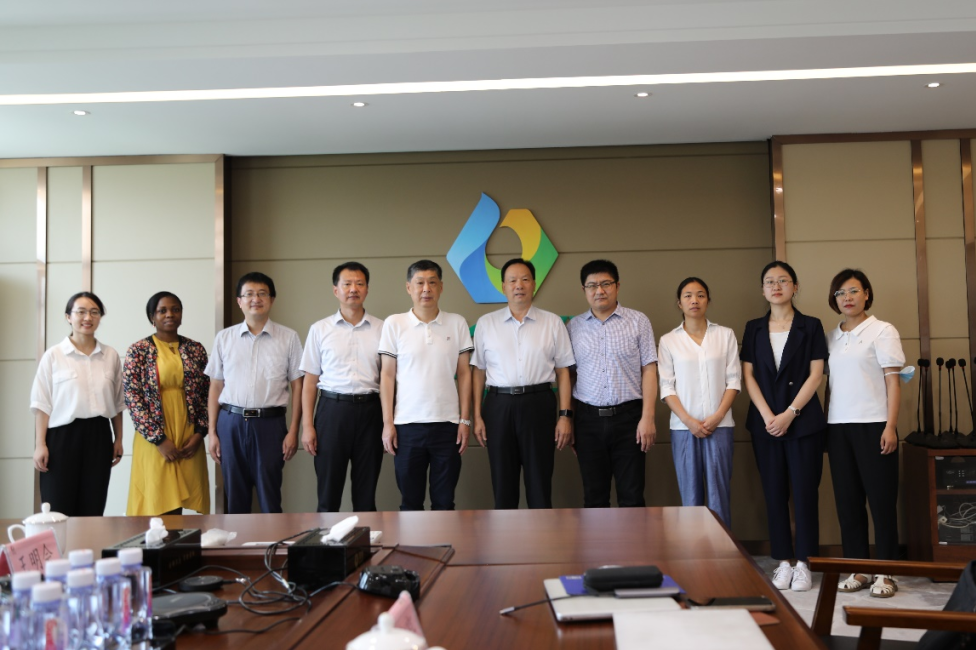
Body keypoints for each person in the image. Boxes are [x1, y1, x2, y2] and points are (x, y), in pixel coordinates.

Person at [741, 260, 827, 592]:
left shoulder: (811, 325)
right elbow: (748, 375)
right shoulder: (753, 328)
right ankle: (783, 562)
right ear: (762, 289)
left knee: (805, 492)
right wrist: (768, 416)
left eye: (783, 280)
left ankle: (804, 562)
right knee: (774, 492)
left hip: (803, 422)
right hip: (764, 424)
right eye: (769, 281)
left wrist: (790, 413)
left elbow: (816, 374)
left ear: (795, 286)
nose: (776, 286)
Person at [825, 269, 905, 598]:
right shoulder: (831, 336)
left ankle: (887, 572)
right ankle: (858, 568)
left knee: (881, 503)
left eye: (853, 291)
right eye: (840, 293)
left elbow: (893, 382)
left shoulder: (883, 330)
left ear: (867, 294)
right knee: (848, 503)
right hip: (837, 427)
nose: (847, 298)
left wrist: (890, 426)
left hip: (874, 425)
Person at [471, 258, 575, 509]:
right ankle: (505, 535)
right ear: (503, 286)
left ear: (534, 284)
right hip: (498, 405)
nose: (519, 285)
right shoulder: (486, 323)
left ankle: (541, 535)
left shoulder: (552, 322)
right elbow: (479, 372)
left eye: (525, 279)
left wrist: (565, 416)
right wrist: (477, 416)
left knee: (539, 483)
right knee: (503, 484)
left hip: (538, 404)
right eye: (513, 280)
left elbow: (563, 372)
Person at [379, 260, 473, 511]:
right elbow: (387, 375)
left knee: (444, 502)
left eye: (432, 282)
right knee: (410, 503)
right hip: (406, 426)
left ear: (441, 287)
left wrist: (465, 420)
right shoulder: (394, 324)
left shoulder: (457, 323)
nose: (426, 289)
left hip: (448, 426)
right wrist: (388, 423)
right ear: (408, 287)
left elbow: (465, 374)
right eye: (419, 283)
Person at [206, 272, 303, 514]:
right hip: (230, 423)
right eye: (249, 294)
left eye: (262, 294)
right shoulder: (224, 338)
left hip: (270, 425)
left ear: (272, 299)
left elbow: (298, 386)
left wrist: (293, 431)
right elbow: (216, 386)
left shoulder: (289, 338)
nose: (255, 299)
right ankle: (237, 540)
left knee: (270, 495)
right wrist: (213, 432)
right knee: (235, 498)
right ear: (239, 301)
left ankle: (274, 539)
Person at [566, 259, 657, 508]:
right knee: (594, 498)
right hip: (587, 421)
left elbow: (649, 370)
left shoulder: (638, 321)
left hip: (629, 419)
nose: (600, 290)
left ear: (617, 286)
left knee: (632, 497)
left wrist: (648, 418)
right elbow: (569, 376)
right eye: (592, 285)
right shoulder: (573, 327)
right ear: (583, 290)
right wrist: (569, 419)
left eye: (606, 283)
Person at [30, 292, 125, 516]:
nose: (88, 317)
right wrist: (40, 444)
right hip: (61, 438)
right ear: (68, 317)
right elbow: (42, 404)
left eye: (94, 312)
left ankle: (89, 542)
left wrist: (119, 439)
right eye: (81, 312)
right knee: (58, 506)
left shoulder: (110, 355)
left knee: (93, 507)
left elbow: (117, 403)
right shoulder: (54, 355)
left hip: (99, 436)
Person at [300, 262, 384, 512]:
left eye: (359, 283)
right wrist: (307, 426)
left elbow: (390, 378)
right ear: (336, 290)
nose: (353, 289)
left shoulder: (383, 328)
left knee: (366, 495)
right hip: (332, 412)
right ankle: (326, 539)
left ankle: (366, 538)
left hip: (371, 411)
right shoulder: (320, 329)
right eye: (347, 284)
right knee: (328, 495)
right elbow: (309, 382)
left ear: (367, 289)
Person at [658, 277, 740, 527]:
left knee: (719, 496)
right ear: (679, 303)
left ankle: (723, 549)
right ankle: (692, 549)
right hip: (684, 429)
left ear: (708, 301)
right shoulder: (668, 340)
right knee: (690, 497)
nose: (694, 300)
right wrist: (689, 421)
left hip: (720, 425)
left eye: (700, 295)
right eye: (688, 295)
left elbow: (734, 380)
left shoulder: (725, 335)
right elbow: (666, 386)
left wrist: (717, 416)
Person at [123, 292, 210, 516]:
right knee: (158, 500)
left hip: (189, 434)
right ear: (152, 317)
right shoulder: (138, 350)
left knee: (186, 499)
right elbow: (132, 398)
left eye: (175, 310)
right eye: (162, 311)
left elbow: (207, 394)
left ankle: (181, 541)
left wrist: (200, 433)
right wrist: (159, 440)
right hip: (154, 437)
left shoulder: (196, 349)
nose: (170, 314)